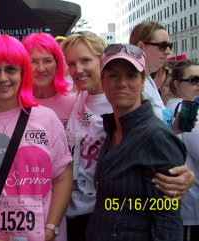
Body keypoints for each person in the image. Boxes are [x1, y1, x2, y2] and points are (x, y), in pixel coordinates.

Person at [62, 32, 192, 241]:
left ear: (143, 83)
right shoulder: (102, 114)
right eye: (113, 75)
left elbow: (167, 215)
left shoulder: (150, 128)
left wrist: (184, 175)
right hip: (89, 224)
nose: (121, 83)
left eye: (131, 76)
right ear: (105, 80)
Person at [0, 35, 73, 241]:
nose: (2, 78)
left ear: (22, 72)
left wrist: (51, 229)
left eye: (10, 69)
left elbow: (62, 176)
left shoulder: (46, 118)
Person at [130, 20, 195, 204]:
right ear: (141, 46)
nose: (168, 51)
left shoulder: (149, 82)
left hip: (165, 181)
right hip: (151, 186)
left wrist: (174, 128)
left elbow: (155, 129)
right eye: (162, 46)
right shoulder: (134, 84)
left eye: (169, 46)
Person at [61, 32, 113, 241]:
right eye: (71, 63)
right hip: (72, 212)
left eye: (85, 61)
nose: (78, 70)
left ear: (103, 60)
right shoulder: (79, 97)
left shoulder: (118, 103)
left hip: (101, 216)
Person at [166, 59, 199, 240]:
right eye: (193, 80)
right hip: (190, 210)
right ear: (177, 83)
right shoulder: (188, 111)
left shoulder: (171, 107)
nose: (198, 85)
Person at [22, 33, 76, 131]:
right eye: (33, 61)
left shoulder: (75, 103)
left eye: (47, 61)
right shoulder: (16, 104)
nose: (41, 69)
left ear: (57, 63)